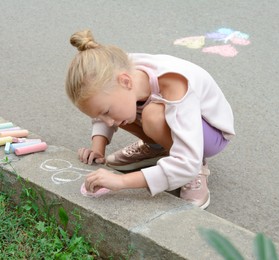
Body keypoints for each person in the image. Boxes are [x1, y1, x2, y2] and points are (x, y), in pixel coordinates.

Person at [65, 29, 235, 209]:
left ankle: (196, 167)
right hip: (173, 116)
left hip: (209, 135)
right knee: (125, 112)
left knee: (152, 115)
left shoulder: (175, 85)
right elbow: (101, 107)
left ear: (126, 82)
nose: (107, 122)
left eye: (106, 111)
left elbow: (186, 164)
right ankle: (157, 148)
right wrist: (97, 148)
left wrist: (121, 181)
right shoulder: (116, 71)